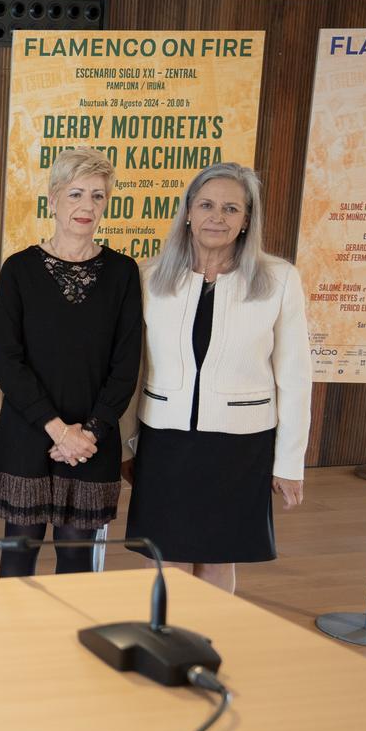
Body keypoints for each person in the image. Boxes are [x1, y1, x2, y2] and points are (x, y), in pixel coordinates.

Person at [125, 163, 310, 592]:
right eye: (207, 205)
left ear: (247, 220)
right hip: (165, 441)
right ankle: (167, 648)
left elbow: (296, 375)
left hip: (240, 444)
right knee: (165, 559)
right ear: (188, 211)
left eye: (231, 208)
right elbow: (133, 370)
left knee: (216, 558)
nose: (217, 217)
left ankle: (206, 648)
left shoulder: (279, 279)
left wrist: (289, 462)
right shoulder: (149, 277)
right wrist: (125, 443)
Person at [0, 147, 143, 575]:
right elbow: (7, 360)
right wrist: (57, 430)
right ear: (53, 200)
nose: (86, 206)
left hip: (92, 440)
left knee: (75, 558)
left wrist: (86, 434)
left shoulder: (123, 272)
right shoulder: (19, 269)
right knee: (18, 556)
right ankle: (14, 644)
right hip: (30, 434)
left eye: (97, 196)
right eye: (75, 194)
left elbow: (126, 365)